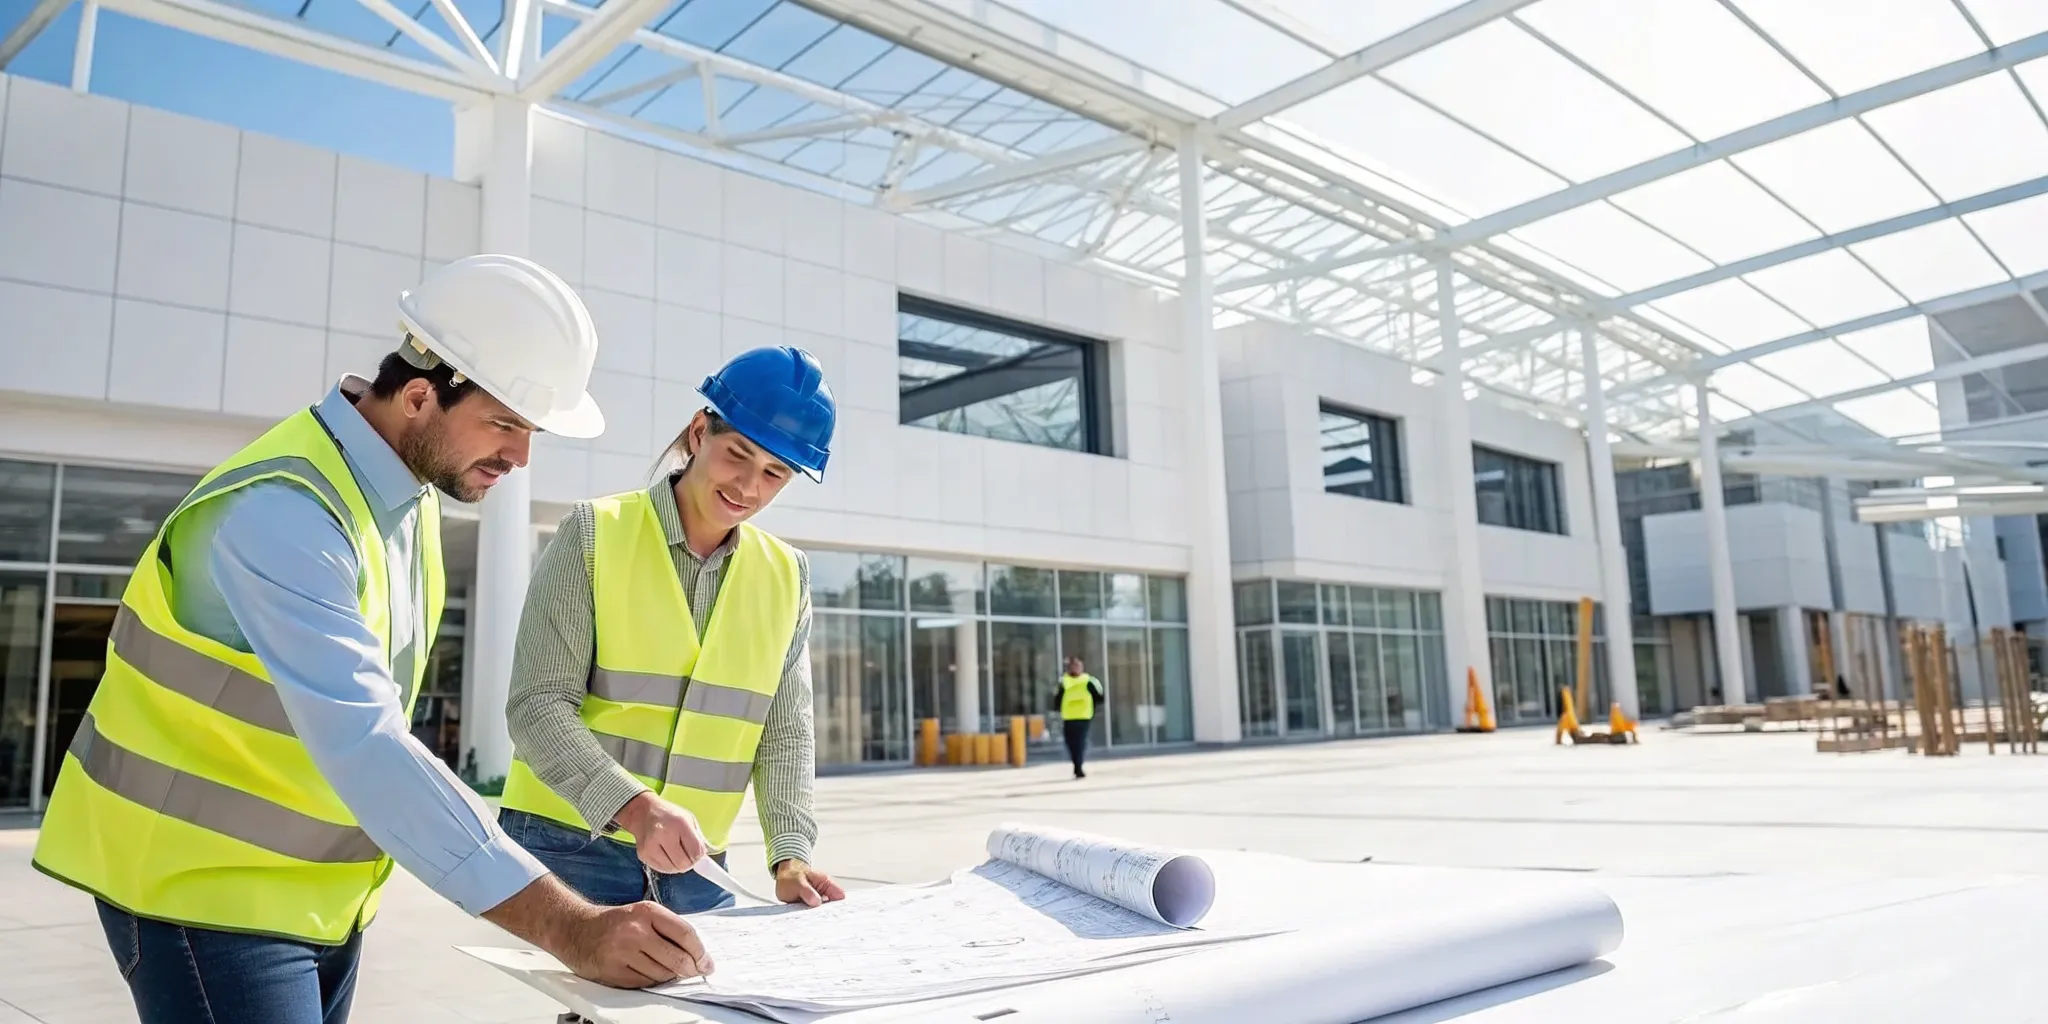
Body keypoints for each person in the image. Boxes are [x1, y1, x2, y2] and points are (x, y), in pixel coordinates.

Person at [32, 255, 713, 1024]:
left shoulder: (399, 501)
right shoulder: (284, 511)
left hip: (318, 900)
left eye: (533, 431)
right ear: (419, 395)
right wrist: (570, 926)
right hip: (201, 892)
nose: (522, 457)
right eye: (506, 424)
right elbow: (368, 744)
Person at [498, 345, 849, 915]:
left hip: (699, 866)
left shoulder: (787, 575)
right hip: (569, 845)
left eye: (775, 473)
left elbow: (785, 732)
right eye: (738, 455)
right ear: (699, 432)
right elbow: (536, 706)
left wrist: (791, 855)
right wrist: (635, 808)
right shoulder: (594, 534)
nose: (749, 487)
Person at [1053, 657, 1106, 779]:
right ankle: (1077, 764)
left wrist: (1093, 707)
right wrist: (1057, 709)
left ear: (1082, 668)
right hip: (1069, 717)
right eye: (1073, 666)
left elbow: (1099, 696)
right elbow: (1057, 698)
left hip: (1083, 716)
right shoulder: (1063, 682)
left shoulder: (1089, 681)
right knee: (1070, 743)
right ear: (1068, 668)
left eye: (1077, 666)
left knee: (1080, 742)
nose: (1075, 668)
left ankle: (1078, 767)